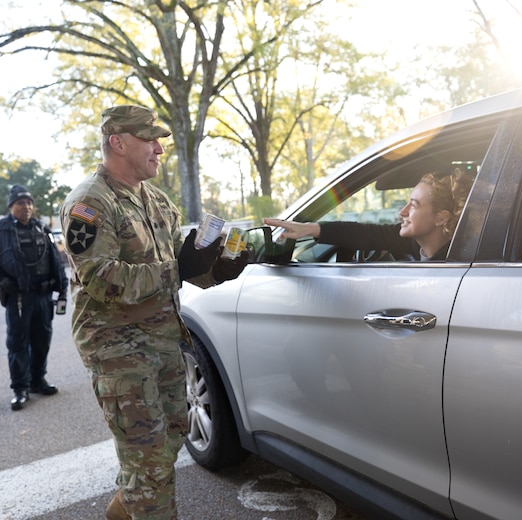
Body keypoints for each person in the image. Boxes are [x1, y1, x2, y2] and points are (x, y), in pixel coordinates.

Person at [59, 105, 249, 520]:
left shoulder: (159, 202)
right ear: (118, 142)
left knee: (170, 438)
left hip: (164, 339)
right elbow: (101, 279)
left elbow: (179, 271)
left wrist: (217, 271)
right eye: (151, 139)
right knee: (148, 462)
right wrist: (177, 268)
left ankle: (123, 510)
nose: (161, 148)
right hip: (118, 349)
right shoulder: (89, 204)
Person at [0, 185, 69, 411]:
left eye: (29, 203)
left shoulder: (41, 228)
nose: (26, 207)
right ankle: (20, 388)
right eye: (20, 203)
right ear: (11, 206)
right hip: (20, 298)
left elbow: (56, 260)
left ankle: (37, 381)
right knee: (18, 343)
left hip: (43, 296)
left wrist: (62, 289)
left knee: (42, 340)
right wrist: (0, 278)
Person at [264, 169, 474, 261]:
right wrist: (310, 228)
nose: (403, 212)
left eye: (414, 205)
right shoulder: (414, 245)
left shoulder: (457, 260)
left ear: (441, 218)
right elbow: (367, 233)